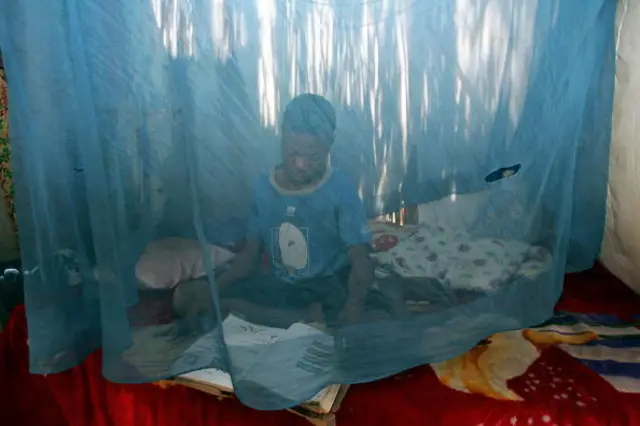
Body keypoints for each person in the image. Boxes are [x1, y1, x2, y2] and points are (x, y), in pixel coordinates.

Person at [217, 93, 374, 327]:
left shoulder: (339, 188)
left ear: (330, 144)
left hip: (327, 285)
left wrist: (355, 305)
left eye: (314, 156)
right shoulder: (263, 186)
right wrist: (213, 290)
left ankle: (304, 317)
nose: (301, 165)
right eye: (293, 154)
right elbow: (249, 256)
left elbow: (360, 259)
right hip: (283, 288)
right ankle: (304, 318)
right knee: (190, 296)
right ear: (281, 140)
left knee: (364, 311)